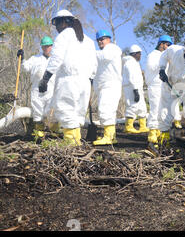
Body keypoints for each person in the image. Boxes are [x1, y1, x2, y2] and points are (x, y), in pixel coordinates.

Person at [38, 9, 97, 145]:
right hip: (85, 83)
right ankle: (76, 142)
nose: (57, 27)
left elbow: (56, 58)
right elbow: (94, 63)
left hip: (69, 81)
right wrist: (91, 79)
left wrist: (46, 78)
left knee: (66, 110)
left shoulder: (64, 36)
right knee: (77, 114)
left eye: (57, 23)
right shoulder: (87, 40)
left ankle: (70, 145)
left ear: (64, 21)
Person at [19, 36, 58, 138]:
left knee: (51, 111)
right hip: (37, 89)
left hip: (51, 89)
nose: (46, 48)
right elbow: (25, 67)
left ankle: (53, 133)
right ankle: (39, 133)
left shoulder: (56, 60)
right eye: (44, 46)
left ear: (52, 46)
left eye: (48, 46)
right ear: (41, 47)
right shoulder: (35, 58)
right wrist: (22, 59)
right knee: (37, 110)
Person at [92, 29, 123, 145]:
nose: (100, 41)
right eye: (98, 40)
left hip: (111, 85)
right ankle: (110, 136)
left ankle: (109, 137)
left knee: (106, 109)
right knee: (105, 109)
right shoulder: (103, 52)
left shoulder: (111, 48)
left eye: (102, 39)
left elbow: (104, 57)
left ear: (108, 39)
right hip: (104, 86)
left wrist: (89, 52)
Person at [144, 35, 173, 145]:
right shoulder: (153, 55)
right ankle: (152, 132)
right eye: (167, 45)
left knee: (164, 110)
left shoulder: (165, 56)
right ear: (161, 44)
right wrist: (163, 64)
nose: (168, 47)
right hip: (155, 85)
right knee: (155, 108)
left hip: (164, 86)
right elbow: (152, 67)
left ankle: (159, 131)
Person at [122, 44, 149, 134]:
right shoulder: (130, 63)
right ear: (134, 54)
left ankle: (143, 126)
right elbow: (132, 78)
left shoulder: (135, 63)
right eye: (139, 54)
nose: (140, 56)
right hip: (131, 88)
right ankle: (128, 126)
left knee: (142, 107)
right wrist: (135, 91)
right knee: (132, 106)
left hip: (137, 88)